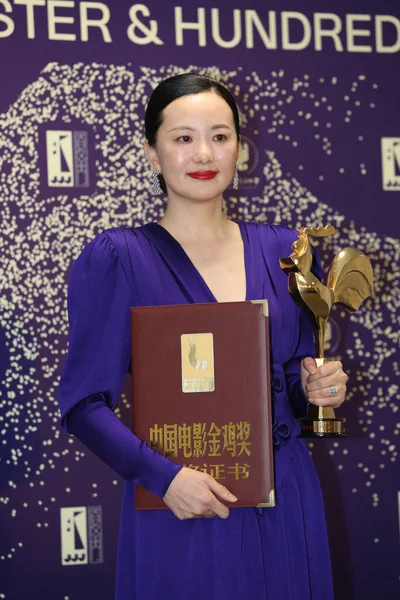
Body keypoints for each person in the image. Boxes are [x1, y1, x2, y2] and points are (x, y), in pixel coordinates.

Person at [58, 73, 348, 600]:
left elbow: (294, 381)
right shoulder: (118, 258)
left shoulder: (287, 251)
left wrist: (321, 389)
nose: (204, 153)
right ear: (152, 154)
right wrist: (164, 478)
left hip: (284, 495)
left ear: (239, 147)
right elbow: (83, 404)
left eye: (219, 135)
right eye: (182, 137)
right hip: (181, 504)